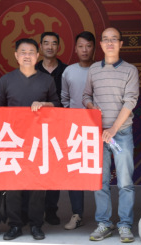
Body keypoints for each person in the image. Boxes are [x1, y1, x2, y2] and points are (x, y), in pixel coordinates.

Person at [0, 38, 61, 241]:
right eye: (23, 52)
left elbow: (58, 105)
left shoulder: (46, 80)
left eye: (31, 52)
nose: (27, 55)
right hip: (13, 141)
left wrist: (45, 104)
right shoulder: (6, 80)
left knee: (37, 186)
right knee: (13, 186)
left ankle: (36, 225)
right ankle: (15, 225)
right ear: (16, 55)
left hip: (38, 141)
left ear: (37, 55)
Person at [82, 27, 139, 243]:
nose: (110, 43)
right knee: (100, 181)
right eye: (105, 39)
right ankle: (104, 223)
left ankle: (125, 225)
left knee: (125, 182)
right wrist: (91, 107)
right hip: (97, 134)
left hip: (121, 133)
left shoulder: (130, 70)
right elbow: (86, 96)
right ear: (101, 44)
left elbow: (130, 101)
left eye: (114, 39)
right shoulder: (93, 70)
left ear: (121, 44)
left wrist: (113, 129)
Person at [59, 31, 96, 230]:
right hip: (74, 128)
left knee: (100, 172)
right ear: (75, 49)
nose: (84, 50)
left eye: (88, 46)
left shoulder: (101, 69)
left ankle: (104, 217)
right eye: (81, 46)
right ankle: (77, 214)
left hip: (99, 128)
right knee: (75, 172)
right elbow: (64, 98)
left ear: (94, 48)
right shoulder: (69, 71)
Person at [35, 31, 67, 226]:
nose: (49, 47)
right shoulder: (32, 69)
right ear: (40, 46)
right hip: (35, 128)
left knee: (54, 169)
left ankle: (51, 210)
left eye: (53, 43)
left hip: (58, 127)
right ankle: (33, 211)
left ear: (58, 47)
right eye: (46, 43)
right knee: (35, 169)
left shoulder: (67, 70)